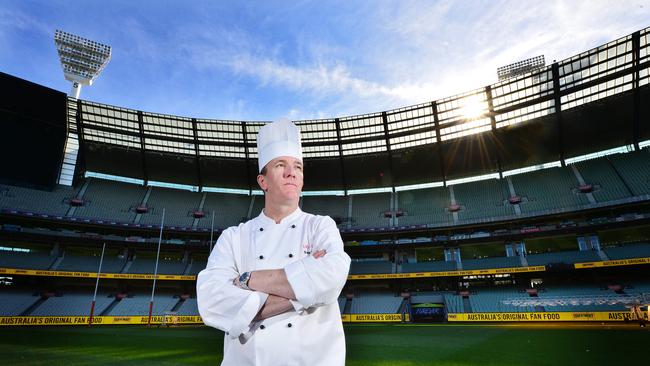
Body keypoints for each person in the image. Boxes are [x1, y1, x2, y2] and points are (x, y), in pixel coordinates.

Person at [197, 119, 351, 366]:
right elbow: (212, 300)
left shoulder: (321, 225)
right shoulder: (234, 237)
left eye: (298, 167)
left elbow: (331, 277)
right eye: (281, 165)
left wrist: (249, 280)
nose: (292, 172)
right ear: (263, 182)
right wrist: (305, 292)